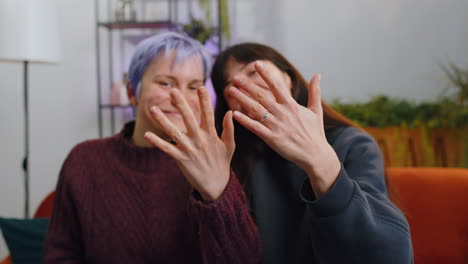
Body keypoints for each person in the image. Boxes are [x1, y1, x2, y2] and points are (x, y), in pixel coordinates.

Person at [45, 32, 261, 263]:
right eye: (166, 83)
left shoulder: (218, 160)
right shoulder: (84, 160)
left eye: (194, 86)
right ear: (131, 92)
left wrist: (218, 192)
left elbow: (245, 259)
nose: (180, 97)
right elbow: (60, 255)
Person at [210, 43, 413, 263]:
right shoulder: (237, 161)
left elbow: (387, 254)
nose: (245, 86)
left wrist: (320, 162)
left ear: (288, 76)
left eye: (253, 71)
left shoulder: (353, 145)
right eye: (231, 87)